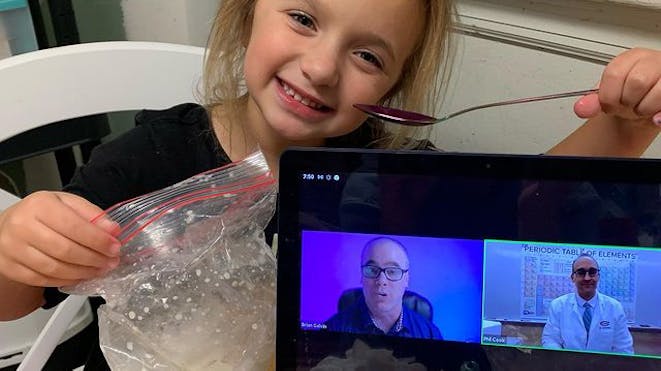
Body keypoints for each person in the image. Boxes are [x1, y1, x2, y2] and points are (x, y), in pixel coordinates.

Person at [0, 0, 658, 368]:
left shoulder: (389, 179)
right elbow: (15, 298)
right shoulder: (150, 155)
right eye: (302, 18)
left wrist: (622, 126)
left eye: (367, 55)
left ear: (393, 89)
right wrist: (19, 242)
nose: (319, 67)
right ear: (247, 11)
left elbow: (521, 213)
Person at [325, 237, 443, 339]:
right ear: (361, 276)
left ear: (406, 279)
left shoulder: (430, 333)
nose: (381, 281)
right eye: (372, 270)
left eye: (392, 271)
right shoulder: (333, 328)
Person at [541, 253, 634, 354]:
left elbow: (623, 348)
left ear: (598, 276)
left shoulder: (614, 307)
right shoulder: (558, 306)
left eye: (592, 272)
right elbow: (551, 340)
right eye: (581, 272)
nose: (587, 278)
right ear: (573, 277)